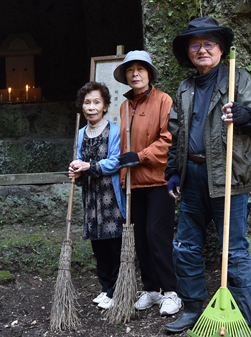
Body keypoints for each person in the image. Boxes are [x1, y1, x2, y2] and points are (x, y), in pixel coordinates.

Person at [164, 17, 251, 335]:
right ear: (188, 51)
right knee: (185, 246)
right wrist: (173, 172)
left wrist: (244, 115)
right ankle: (193, 309)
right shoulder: (185, 88)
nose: (202, 50)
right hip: (192, 176)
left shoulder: (238, 79)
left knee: (234, 251)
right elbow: (176, 134)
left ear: (221, 49)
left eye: (208, 44)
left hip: (228, 178)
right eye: (195, 45)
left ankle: (248, 321)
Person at [113, 50, 182, 317]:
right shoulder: (124, 105)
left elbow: (168, 139)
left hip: (157, 180)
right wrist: (122, 173)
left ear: (150, 74)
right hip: (133, 183)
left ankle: (171, 291)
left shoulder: (164, 100)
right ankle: (152, 289)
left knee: (157, 234)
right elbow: (122, 145)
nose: (135, 74)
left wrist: (139, 156)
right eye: (130, 70)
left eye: (141, 69)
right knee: (140, 237)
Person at [68, 82, 137, 310]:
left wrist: (88, 166)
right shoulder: (80, 133)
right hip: (91, 199)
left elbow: (116, 161)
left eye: (97, 102)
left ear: (105, 106)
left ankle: (118, 289)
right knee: (98, 247)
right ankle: (105, 288)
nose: (91, 107)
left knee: (114, 246)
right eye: (87, 102)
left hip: (111, 198)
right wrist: (75, 170)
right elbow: (79, 162)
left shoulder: (115, 131)